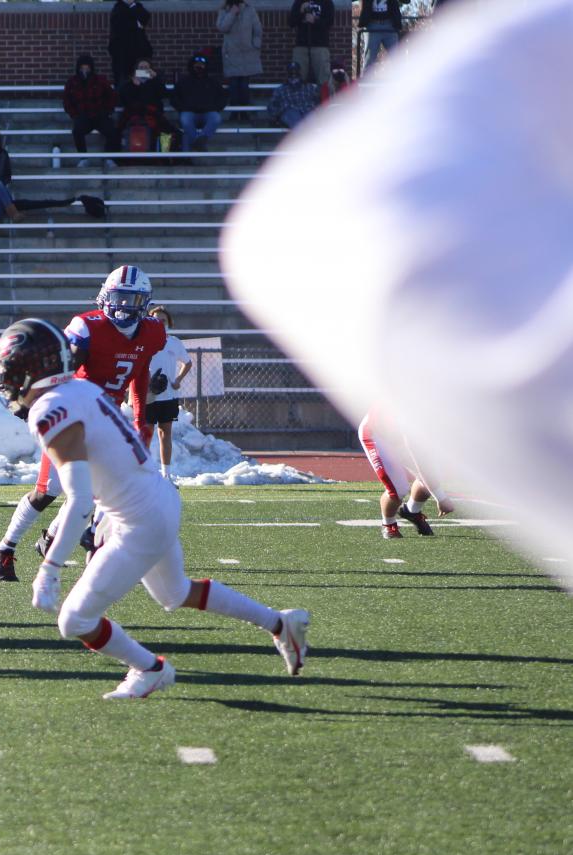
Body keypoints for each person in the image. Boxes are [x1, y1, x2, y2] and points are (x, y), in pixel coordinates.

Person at [221, 0, 573, 590]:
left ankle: (412, 509)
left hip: (416, 342)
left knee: (434, 477)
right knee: (403, 483)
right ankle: (396, 520)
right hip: (394, 398)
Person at [0, 318, 311, 698]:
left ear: (29, 372)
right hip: (156, 499)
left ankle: (149, 668)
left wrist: (51, 567)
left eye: (10, 373)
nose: (8, 383)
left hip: (137, 520)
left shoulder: (50, 409)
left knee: (75, 619)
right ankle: (280, 624)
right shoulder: (79, 389)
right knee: (174, 593)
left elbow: (77, 501)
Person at [0, 266, 167, 582]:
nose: (124, 306)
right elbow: (60, 369)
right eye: (119, 298)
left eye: (133, 300)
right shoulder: (86, 327)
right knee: (49, 491)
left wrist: (141, 418)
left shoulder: (154, 332)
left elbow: (140, 371)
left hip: (107, 420)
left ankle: (56, 541)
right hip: (71, 414)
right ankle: (6, 547)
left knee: (99, 489)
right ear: (105, 296)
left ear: (145, 302)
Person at [358, 409, 435, 540]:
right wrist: (441, 498)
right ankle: (388, 525)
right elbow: (412, 445)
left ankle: (412, 511)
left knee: (433, 475)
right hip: (377, 435)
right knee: (398, 488)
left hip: (400, 435)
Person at [143, 306, 192, 483]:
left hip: (168, 396)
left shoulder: (174, 342)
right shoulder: (145, 341)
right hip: (149, 396)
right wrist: (147, 383)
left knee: (165, 433)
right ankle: (144, 474)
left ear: (169, 323)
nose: (159, 324)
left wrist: (177, 379)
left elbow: (187, 363)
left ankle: (166, 475)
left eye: (163, 320)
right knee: (146, 433)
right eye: (155, 320)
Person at [61, 54, 120, 166]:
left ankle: (109, 158)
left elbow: (112, 96)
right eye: (82, 68)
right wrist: (75, 115)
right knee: (77, 131)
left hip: (100, 115)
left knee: (113, 131)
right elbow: (67, 101)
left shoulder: (100, 80)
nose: (85, 70)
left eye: (87, 68)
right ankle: (83, 159)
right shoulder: (72, 82)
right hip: (82, 116)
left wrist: (107, 111)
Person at [171, 52, 226, 152]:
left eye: (202, 65)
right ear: (192, 66)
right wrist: (182, 108)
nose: (199, 67)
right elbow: (174, 97)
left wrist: (216, 108)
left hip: (208, 112)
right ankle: (199, 143)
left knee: (216, 118)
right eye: (196, 65)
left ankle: (200, 141)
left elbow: (223, 96)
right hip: (189, 112)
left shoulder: (213, 82)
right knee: (185, 120)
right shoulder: (183, 82)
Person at [216, 0, 263, 115]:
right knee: (234, 84)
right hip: (232, 53)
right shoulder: (224, 10)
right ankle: (235, 113)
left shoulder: (249, 10)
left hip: (248, 53)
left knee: (244, 84)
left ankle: (244, 112)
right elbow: (222, 28)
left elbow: (258, 30)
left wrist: (256, 44)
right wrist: (232, 13)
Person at [116, 59, 172, 153]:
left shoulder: (155, 82)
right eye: (141, 68)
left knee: (166, 131)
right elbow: (125, 99)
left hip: (153, 113)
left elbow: (164, 94)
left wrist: (155, 78)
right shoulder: (129, 84)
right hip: (133, 114)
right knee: (118, 130)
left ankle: (164, 154)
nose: (144, 70)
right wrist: (135, 85)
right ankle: (122, 157)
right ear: (136, 70)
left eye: (146, 68)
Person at [108, 0, 154, 86]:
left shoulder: (137, 6)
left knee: (142, 83)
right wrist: (136, 24)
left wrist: (133, 6)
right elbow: (122, 26)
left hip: (140, 54)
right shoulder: (118, 9)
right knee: (124, 84)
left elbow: (145, 17)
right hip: (123, 56)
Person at [288, 0, 334, 87]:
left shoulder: (326, 2)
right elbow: (291, 22)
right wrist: (301, 12)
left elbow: (330, 22)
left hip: (320, 46)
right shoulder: (299, 2)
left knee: (323, 79)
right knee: (298, 77)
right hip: (301, 46)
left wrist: (315, 21)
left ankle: (323, 99)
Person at [268, 62, 319, 128]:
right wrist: (283, 107)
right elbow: (271, 109)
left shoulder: (310, 88)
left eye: (296, 73)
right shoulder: (280, 90)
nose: (293, 76)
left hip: (307, 112)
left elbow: (318, 103)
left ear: (299, 73)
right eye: (291, 73)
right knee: (294, 116)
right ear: (288, 74)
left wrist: (311, 107)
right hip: (291, 115)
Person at [359, 0, 403, 71]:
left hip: (390, 25)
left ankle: (401, 80)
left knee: (397, 57)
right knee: (369, 58)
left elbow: (406, 1)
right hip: (372, 25)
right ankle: (366, 81)